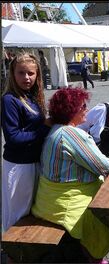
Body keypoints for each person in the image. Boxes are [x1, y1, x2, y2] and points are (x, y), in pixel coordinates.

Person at [31, 88, 109, 263]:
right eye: (82, 107)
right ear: (72, 110)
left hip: (47, 203)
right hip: (65, 206)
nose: (86, 110)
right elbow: (105, 166)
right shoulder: (72, 134)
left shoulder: (56, 130)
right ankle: (93, 255)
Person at [1, 52, 51, 232]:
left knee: (30, 213)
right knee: (17, 215)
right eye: (21, 73)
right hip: (19, 166)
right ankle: (12, 255)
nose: (26, 77)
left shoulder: (33, 97)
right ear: (13, 74)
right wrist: (44, 128)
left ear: (37, 74)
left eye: (31, 73)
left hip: (33, 163)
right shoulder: (9, 100)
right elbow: (13, 137)